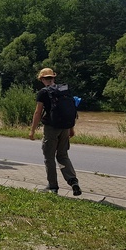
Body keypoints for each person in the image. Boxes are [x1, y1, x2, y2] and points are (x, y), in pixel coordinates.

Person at [29, 68, 82, 196]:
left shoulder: (43, 92)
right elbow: (70, 111)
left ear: (42, 79)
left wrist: (32, 131)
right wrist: (71, 128)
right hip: (65, 127)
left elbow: (38, 112)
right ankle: (73, 181)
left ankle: (52, 186)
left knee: (49, 157)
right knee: (63, 155)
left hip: (51, 128)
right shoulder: (64, 89)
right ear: (53, 78)